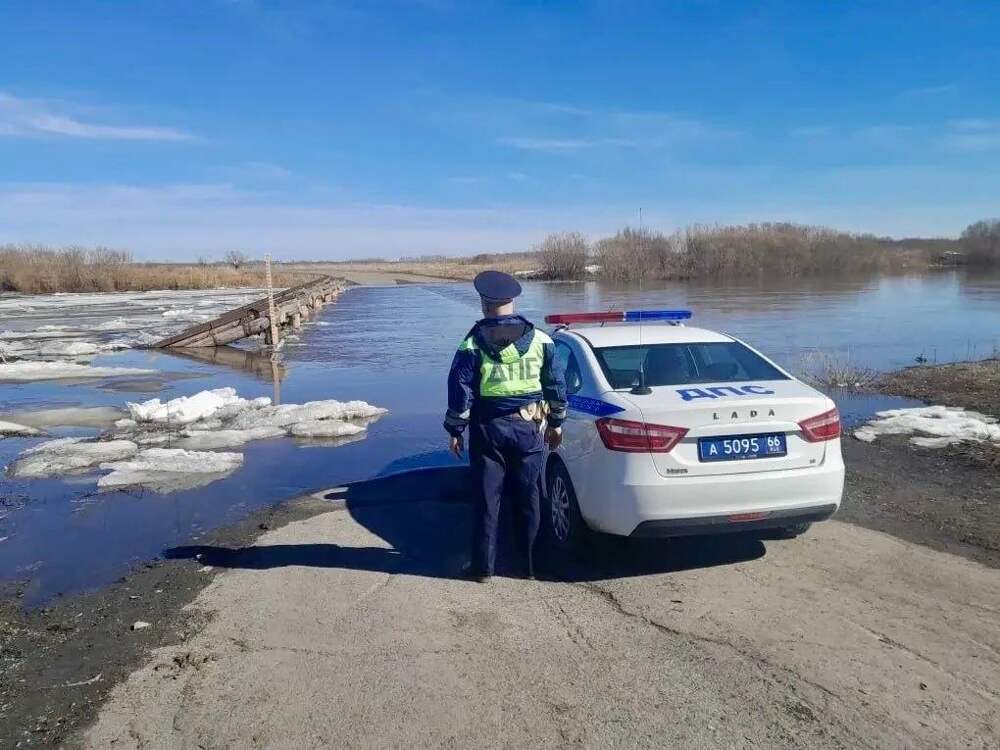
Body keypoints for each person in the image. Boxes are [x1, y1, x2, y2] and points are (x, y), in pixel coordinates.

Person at [444, 270, 567, 582]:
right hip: (530, 427)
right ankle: (531, 567)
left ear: (484, 304)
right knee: (530, 496)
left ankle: (483, 568)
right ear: (513, 301)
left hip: (489, 429)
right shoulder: (541, 340)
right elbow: (555, 384)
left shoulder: (473, 343)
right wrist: (556, 423)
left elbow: (461, 390)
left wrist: (455, 430)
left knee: (488, 499)